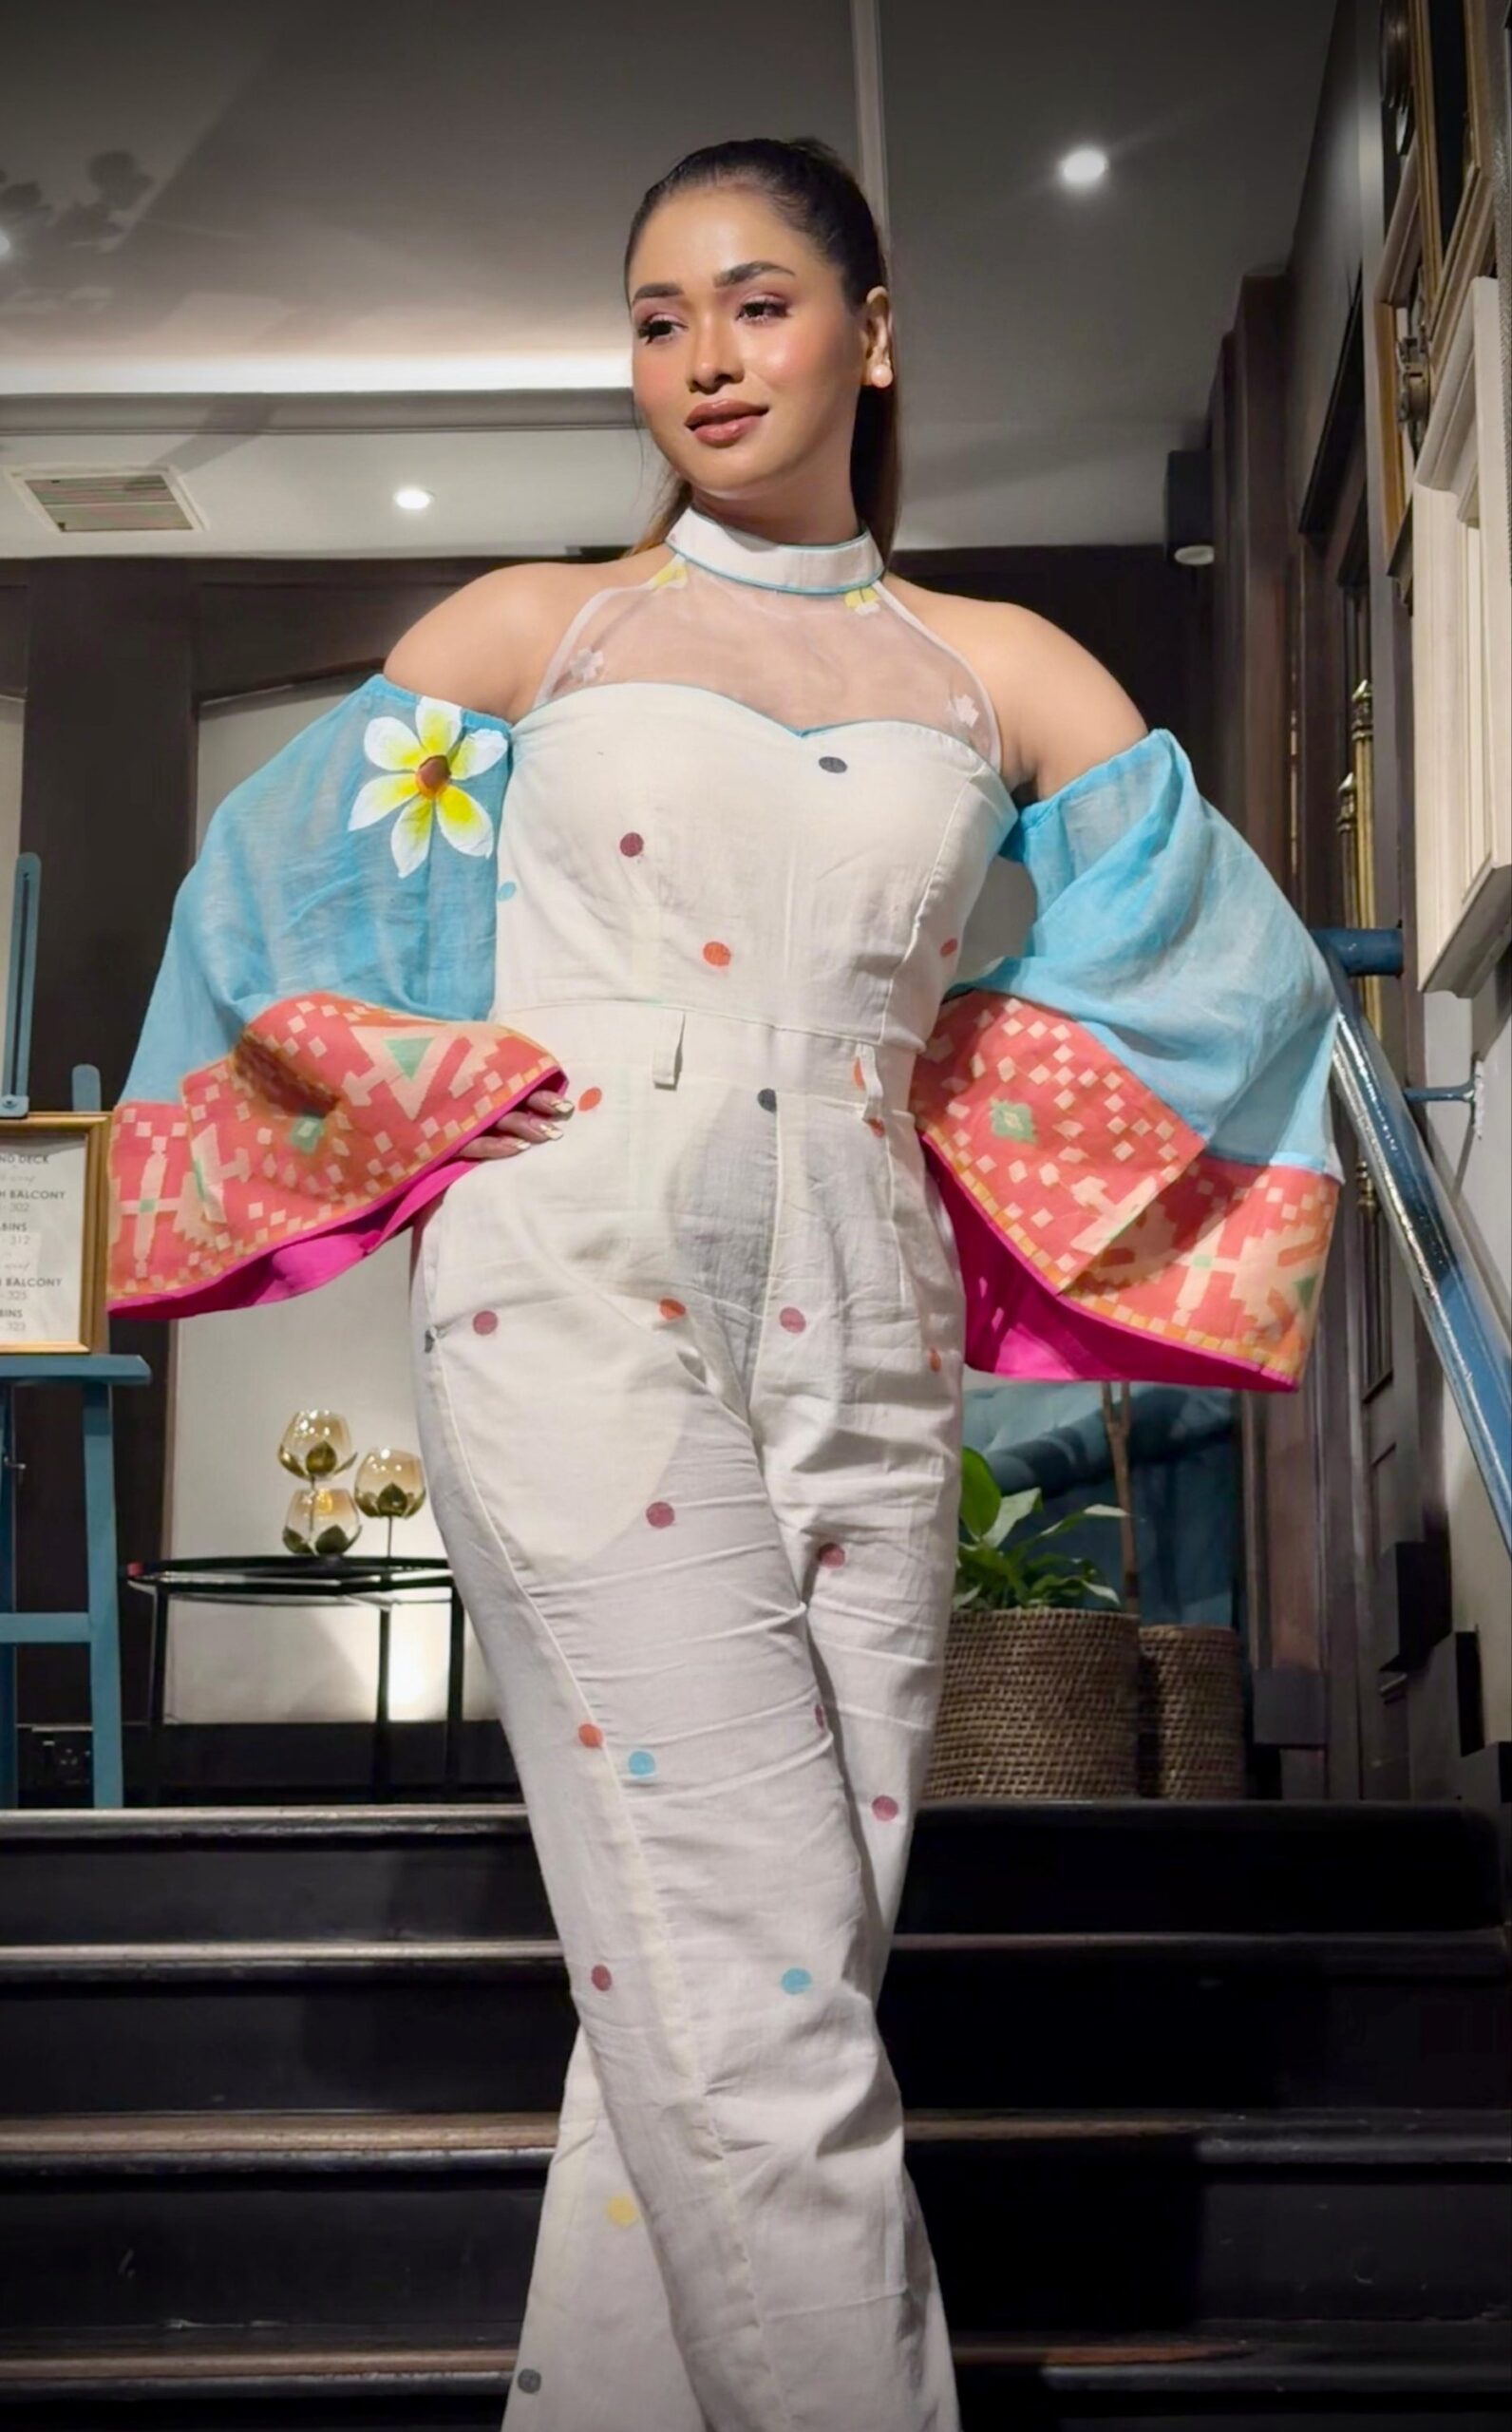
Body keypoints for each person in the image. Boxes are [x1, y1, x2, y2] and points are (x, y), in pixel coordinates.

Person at [108, 137, 1341, 2432]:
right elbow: (265, 918)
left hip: (864, 1316)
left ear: (872, 334)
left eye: (758, 302)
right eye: (660, 316)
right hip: (576, 1287)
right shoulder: (532, 631)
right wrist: (439, 1080)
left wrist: (945, 1096)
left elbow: (1220, 964)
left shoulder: (994, 669)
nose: (704, 356)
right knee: (753, 2000)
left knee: (750, 1971)